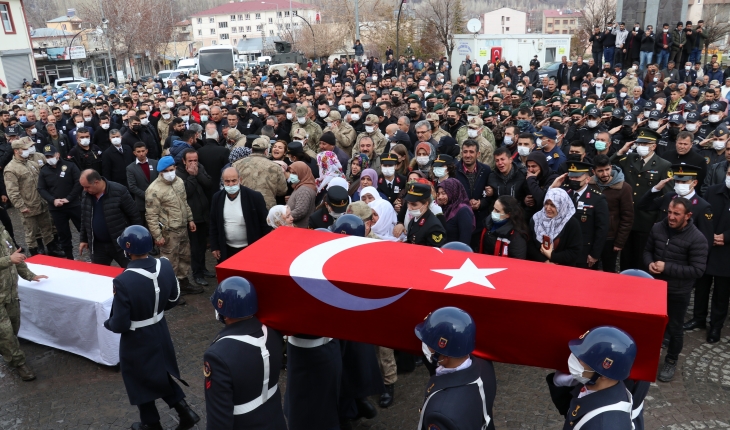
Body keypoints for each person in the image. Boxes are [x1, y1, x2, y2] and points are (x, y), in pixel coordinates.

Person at [103, 225, 200, 430]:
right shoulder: (164, 265)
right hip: (160, 329)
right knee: (158, 372)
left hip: (137, 337)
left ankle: (151, 424)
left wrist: (107, 323)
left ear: (127, 250)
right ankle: (185, 411)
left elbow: (120, 323)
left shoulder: (123, 280)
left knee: (138, 379)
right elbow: (173, 299)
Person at [204, 277, 287, 429]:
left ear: (225, 313)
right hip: (275, 420)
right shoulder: (273, 333)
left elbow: (218, 416)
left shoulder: (217, 355)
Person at [644, 197, 708, 382]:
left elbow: (697, 270)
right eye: (669, 212)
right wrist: (649, 263)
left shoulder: (697, 239)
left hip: (678, 291)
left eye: (676, 214)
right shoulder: (658, 228)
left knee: (675, 327)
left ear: (688, 215)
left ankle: (671, 360)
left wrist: (667, 267)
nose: (671, 217)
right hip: (655, 287)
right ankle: (647, 356)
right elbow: (647, 250)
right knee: (651, 324)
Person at [415, 306, 496, 430]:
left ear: (445, 356)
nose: (425, 345)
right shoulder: (485, 365)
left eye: (429, 344)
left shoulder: (440, 414)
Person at [548, 326, 638, 429]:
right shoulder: (599, 385)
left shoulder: (603, 425)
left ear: (603, 374)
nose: (573, 358)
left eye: (580, 358)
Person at [611, 128, 672, 270]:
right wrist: (621, 151)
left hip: (647, 220)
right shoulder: (630, 158)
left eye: (645, 144)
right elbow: (608, 166)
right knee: (625, 259)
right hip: (626, 217)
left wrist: (659, 221)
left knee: (642, 258)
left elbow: (666, 195)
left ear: (653, 146)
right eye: (639, 143)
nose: (641, 146)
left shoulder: (664, 165)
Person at [145, 156, 201, 294]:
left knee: (185, 257)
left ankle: (183, 282)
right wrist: (157, 236)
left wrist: (190, 219)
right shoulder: (153, 190)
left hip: (182, 228)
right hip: (168, 232)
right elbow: (151, 216)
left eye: (172, 169)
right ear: (160, 172)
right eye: (166, 171)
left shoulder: (179, 182)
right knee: (170, 262)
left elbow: (184, 202)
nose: (170, 173)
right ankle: (171, 290)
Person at [0, 221, 47, 381]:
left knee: (13, 327)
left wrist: (29, 275)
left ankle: (8, 350)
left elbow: (16, 256)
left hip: (10, 292)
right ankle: (19, 364)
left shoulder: (2, 231)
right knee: (5, 333)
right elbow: (10, 259)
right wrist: (8, 260)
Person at [4, 137, 64, 256]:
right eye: (25, 148)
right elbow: (12, 192)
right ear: (16, 150)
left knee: (47, 228)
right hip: (28, 206)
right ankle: (35, 253)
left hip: (41, 202)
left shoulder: (32, 163)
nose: (28, 150)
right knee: (31, 233)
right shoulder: (11, 169)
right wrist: (21, 206)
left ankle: (52, 249)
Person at [693, 164, 730, 343]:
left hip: (727, 251)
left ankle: (716, 326)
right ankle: (698, 318)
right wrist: (709, 235)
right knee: (701, 287)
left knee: (721, 293)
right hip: (707, 246)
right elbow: (702, 214)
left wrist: (726, 237)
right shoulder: (713, 191)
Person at [78, 169, 141, 267]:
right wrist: (84, 239)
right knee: (98, 275)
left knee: (131, 270)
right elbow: (84, 217)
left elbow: (134, 215)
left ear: (96, 182)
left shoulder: (119, 191)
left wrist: (136, 239)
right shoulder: (86, 194)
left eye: (87, 187)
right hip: (98, 246)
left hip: (121, 244)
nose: (84, 190)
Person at [553, 161, 610, 269]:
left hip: (584, 252)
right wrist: (553, 187)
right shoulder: (564, 193)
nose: (573, 180)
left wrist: (594, 254)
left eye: (577, 177)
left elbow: (602, 229)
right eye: (571, 177)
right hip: (563, 250)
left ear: (587, 179)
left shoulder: (597, 198)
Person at [210, 167, 270, 262]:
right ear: (223, 181)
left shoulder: (254, 197)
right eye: (227, 181)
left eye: (234, 181)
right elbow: (213, 223)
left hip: (250, 247)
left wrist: (263, 247)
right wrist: (215, 246)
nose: (231, 184)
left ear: (240, 180)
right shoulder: (217, 198)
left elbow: (265, 224)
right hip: (227, 249)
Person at [590, 155, 634, 273]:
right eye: (600, 171)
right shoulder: (589, 184)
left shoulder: (624, 188)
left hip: (610, 238)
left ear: (611, 167)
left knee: (609, 270)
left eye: (607, 169)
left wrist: (619, 242)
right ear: (594, 171)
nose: (605, 173)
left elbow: (627, 217)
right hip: (592, 235)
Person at [176, 149, 214, 287]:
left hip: (204, 213)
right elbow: (186, 192)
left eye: (195, 160)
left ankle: (203, 268)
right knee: (195, 247)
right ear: (184, 161)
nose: (193, 163)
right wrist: (192, 177)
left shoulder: (200, 168)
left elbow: (208, 184)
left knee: (203, 245)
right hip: (192, 216)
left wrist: (197, 175)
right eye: (190, 161)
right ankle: (196, 273)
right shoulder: (178, 174)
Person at [37, 144, 82, 260]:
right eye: (47, 157)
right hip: (56, 208)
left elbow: (79, 183)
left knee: (83, 229)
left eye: (51, 155)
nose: (49, 158)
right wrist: (53, 200)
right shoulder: (44, 171)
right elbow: (41, 188)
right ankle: (69, 257)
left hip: (73, 204)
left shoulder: (70, 165)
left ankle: (93, 252)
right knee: (63, 234)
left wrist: (69, 198)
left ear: (57, 154)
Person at [527, 188, 583, 267]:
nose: (548, 208)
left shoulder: (572, 223)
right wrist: (545, 261)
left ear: (562, 205)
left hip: (564, 269)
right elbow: (530, 245)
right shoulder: (536, 219)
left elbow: (574, 252)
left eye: (553, 205)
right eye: (546, 203)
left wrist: (552, 256)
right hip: (539, 266)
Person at [234, 137, 287, 210]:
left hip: (242, 205)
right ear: (266, 151)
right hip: (266, 207)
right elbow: (282, 190)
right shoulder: (276, 167)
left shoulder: (237, 164)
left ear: (252, 149)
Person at [126, 142, 159, 227]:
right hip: (142, 204)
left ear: (146, 151)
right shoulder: (130, 168)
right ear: (134, 153)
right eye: (139, 151)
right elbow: (132, 186)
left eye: (143, 151)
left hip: (158, 201)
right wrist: (147, 196)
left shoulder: (155, 163)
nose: (141, 154)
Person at [437, 178, 475, 245]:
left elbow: (465, 240)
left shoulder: (463, 211)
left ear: (453, 191)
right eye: (439, 194)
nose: (440, 197)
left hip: (455, 252)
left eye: (444, 193)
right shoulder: (445, 207)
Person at [285, 161, 317, 228]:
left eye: (294, 173)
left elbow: (300, 211)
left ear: (301, 173)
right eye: (290, 173)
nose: (291, 175)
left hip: (299, 227)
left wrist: (284, 217)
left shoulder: (304, 190)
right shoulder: (301, 186)